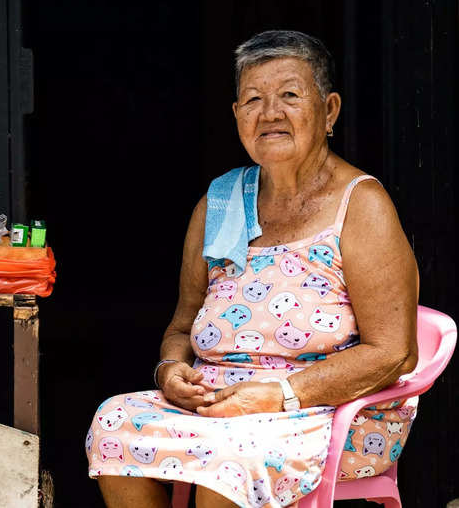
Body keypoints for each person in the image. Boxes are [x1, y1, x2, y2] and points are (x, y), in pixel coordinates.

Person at [85, 30, 420, 508]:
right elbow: (182, 324)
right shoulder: (220, 202)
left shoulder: (361, 205)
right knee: (113, 422)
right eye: (253, 100)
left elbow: (393, 352)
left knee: (225, 461)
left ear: (329, 112)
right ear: (238, 116)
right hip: (220, 401)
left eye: (288, 95)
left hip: (324, 407)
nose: (270, 113)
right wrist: (171, 370)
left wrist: (279, 394)